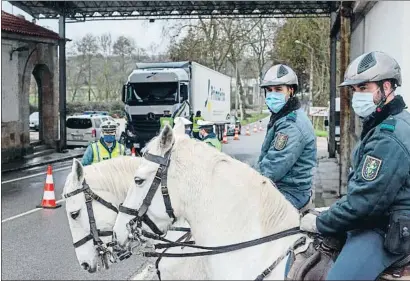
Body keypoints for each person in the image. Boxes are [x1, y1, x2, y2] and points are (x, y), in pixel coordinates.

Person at [300, 51, 410, 280]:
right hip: (379, 216)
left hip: (384, 227)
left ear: (386, 87)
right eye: (354, 89)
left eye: (364, 88)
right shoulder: (382, 125)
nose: (356, 95)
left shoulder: (389, 135)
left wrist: (321, 222)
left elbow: (365, 202)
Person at [255, 64, 316, 210]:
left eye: (278, 89)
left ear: (291, 90)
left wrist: (243, 180)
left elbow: (272, 168)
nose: (272, 94)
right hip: (282, 190)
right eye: (269, 90)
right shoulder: (282, 118)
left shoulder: (291, 125)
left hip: (290, 194)